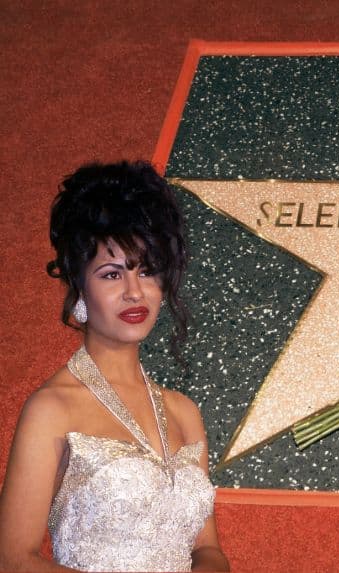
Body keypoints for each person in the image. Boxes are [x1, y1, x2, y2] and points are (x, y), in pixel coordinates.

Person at [0, 161, 230, 571]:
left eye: (147, 271)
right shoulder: (52, 409)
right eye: (111, 274)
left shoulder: (184, 412)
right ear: (77, 288)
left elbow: (207, 550)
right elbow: (13, 560)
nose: (133, 291)